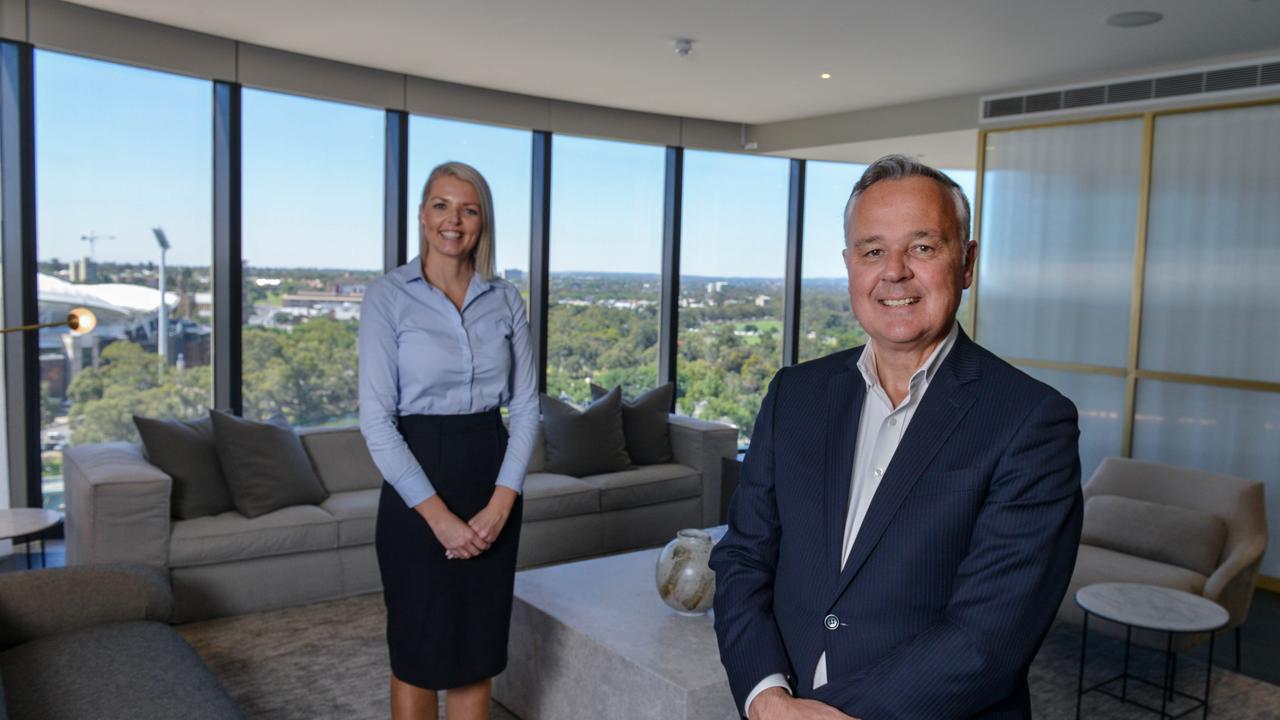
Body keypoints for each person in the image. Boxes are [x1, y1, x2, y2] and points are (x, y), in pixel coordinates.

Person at [709, 155, 1083, 720]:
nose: (895, 272)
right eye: (873, 250)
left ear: (968, 263)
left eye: (923, 247)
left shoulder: (1031, 421)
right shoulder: (794, 396)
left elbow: (987, 637)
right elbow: (743, 558)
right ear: (849, 265)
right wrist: (766, 697)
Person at [359, 161, 537, 720]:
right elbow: (376, 423)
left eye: (469, 208)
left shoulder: (506, 300)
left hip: (491, 478)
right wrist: (439, 519)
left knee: (474, 653)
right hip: (417, 487)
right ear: (422, 214)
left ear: (483, 222)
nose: (452, 220)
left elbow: (528, 407)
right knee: (418, 653)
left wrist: (501, 503)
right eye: (441, 205)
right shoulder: (387, 297)